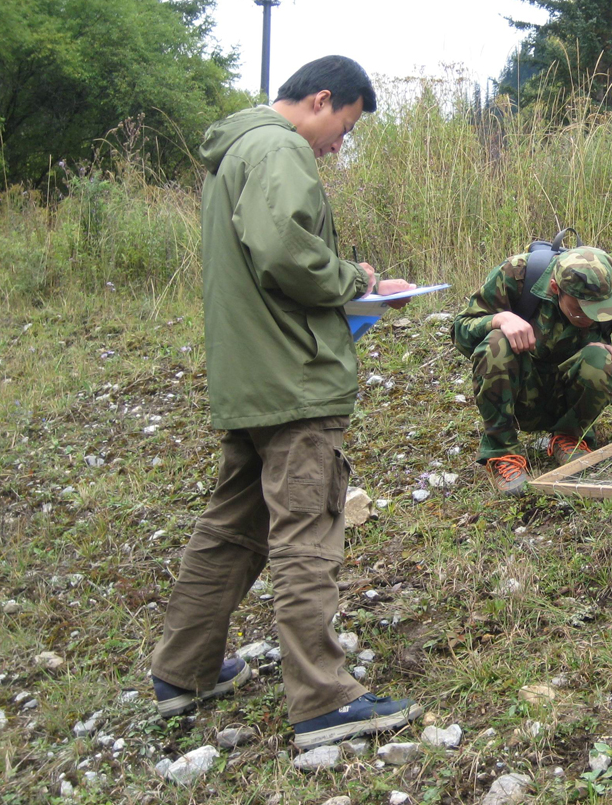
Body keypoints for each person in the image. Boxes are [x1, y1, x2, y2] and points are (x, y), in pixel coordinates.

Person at [148, 55, 420, 751]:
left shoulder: (233, 150)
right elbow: (287, 256)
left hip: (250, 379)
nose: (338, 146)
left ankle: (185, 670)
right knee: (308, 535)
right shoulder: (279, 147)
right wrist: (352, 279)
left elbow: (265, 255)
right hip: (295, 381)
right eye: (344, 126)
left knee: (233, 530)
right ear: (322, 98)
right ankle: (323, 701)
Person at [452, 245, 612, 494]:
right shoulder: (517, 275)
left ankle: (570, 436)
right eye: (582, 311)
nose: (592, 319)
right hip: (519, 391)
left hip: (573, 393)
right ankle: (502, 452)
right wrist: (499, 320)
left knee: (600, 357)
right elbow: (461, 329)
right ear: (556, 288)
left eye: (601, 310)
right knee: (496, 343)